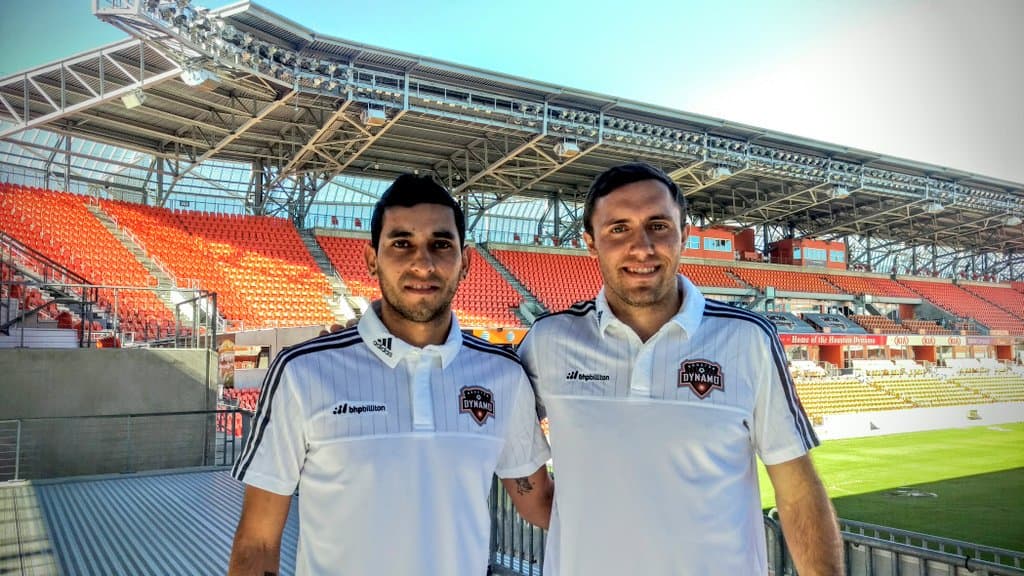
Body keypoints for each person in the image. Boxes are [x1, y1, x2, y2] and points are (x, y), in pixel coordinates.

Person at [518, 163, 843, 575]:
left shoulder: (748, 339)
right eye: (618, 229)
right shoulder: (549, 341)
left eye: (658, 226)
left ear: (684, 236)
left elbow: (797, 493)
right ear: (590, 243)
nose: (642, 247)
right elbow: (513, 454)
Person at [229, 174, 553, 575]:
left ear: (465, 261)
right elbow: (257, 544)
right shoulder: (302, 373)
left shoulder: (503, 375)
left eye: (441, 244)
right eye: (402, 243)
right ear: (371, 259)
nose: (423, 262)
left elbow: (540, 504)